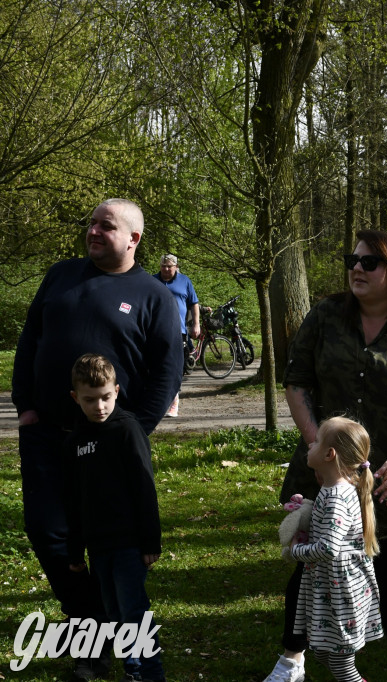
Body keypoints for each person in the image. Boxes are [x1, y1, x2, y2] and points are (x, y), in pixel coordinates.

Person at [265, 230, 387, 682]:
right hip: (325, 466)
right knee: (312, 567)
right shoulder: (327, 316)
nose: (357, 269)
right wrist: (319, 446)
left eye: (370, 263)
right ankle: (293, 659)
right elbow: (296, 382)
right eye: (354, 260)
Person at [12, 198, 182, 681]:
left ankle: (98, 643)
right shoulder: (60, 275)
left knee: (108, 541)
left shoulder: (153, 295)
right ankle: (91, 621)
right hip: (46, 434)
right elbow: (30, 340)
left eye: (105, 226)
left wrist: (132, 431)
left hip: (107, 446)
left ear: (133, 238)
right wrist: (25, 407)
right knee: (49, 533)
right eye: (91, 223)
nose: (92, 231)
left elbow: (168, 370)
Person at [64, 354, 166, 682]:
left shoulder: (127, 430)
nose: (100, 406)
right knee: (113, 614)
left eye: (106, 397)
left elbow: (144, 488)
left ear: (117, 391)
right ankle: (132, 669)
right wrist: (75, 548)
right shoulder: (75, 440)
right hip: (98, 547)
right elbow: (75, 498)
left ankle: (148, 674)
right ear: (75, 398)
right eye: (90, 400)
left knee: (133, 610)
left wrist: (150, 541)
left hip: (130, 544)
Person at [289, 416, 383, 682]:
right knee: (322, 651)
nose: (310, 445)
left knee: (341, 662)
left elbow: (329, 548)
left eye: (316, 441)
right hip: (332, 585)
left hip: (341, 590)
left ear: (329, 454)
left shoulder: (336, 496)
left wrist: (295, 550)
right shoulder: (334, 489)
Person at [154, 254, 200, 417]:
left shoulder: (185, 281)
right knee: (156, 367)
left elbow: (194, 303)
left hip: (178, 331)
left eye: (169, 266)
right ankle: (158, 401)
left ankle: (174, 401)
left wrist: (196, 324)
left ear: (176, 266)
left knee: (175, 367)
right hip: (155, 331)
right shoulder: (152, 281)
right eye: (163, 266)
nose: (166, 269)